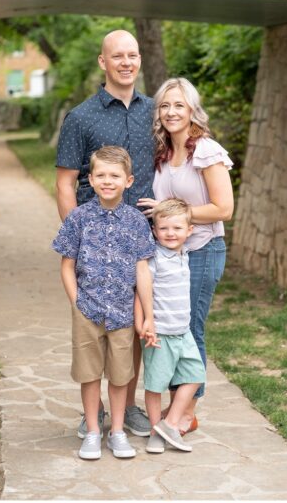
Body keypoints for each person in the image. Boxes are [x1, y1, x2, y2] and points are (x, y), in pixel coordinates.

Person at [55, 29, 156, 439]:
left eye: (133, 55)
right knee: (94, 330)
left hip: (142, 237)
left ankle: (126, 407)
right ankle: (93, 415)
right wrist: (78, 242)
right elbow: (65, 183)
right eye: (118, 56)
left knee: (133, 326)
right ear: (103, 62)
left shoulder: (154, 111)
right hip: (95, 242)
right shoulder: (81, 118)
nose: (126, 62)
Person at [136, 77, 234, 435]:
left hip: (202, 251)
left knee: (189, 329)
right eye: (164, 105)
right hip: (168, 258)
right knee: (170, 327)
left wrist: (173, 212)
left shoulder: (205, 151)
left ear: (192, 109)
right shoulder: (164, 153)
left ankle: (185, 414)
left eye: (179, 105)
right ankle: (177, 408)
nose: (171, 112)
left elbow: (224, 209)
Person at [52, 146, 155, 460]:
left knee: (121, 374)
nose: (107, 181)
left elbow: (142, 269)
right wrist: (77, 301)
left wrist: (147, 315)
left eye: (115, 175)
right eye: (101, 175)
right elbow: (67, 265)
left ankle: (118, 431)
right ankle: (94, 432)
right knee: (89, 372)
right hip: (88, 309)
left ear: (128, 180)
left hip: (123, 312)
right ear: (91, 180)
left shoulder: (137, 222)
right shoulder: (79, 219)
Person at [136, 199, 205, 454]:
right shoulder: (154, 259)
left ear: (189, 231)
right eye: (164, 228)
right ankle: (156, 431)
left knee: (196, 376)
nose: (170, 233)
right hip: (160, 333)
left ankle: (170, 423)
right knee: (155, 385)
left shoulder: (184, 255)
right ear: (155, 231)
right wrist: (143, 324)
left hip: (183, 331)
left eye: (177, 228)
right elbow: (140, 293)